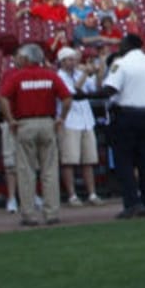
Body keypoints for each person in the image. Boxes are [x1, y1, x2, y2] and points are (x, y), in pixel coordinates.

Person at [97, 34, 145, 218]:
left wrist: (89, 95)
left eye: (122, 44)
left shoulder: (121, 64)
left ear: (128, 45)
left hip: (125, 115)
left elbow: (111, 89)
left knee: (124, 161)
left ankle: (132, 203)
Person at [0, 43, 71, 226]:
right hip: (47, 122)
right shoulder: (50, 75)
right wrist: (61, 117)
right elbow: (67, 98)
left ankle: (29, 214)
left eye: (21, 57)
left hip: (25, 124)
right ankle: (52, 213)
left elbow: (2, 96)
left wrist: (10, 119)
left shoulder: (17, 77)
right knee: (49, 170)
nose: (18, 59)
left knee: (25, 171)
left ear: (27, 58)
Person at [56, 48, 104, 206]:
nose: (73, 62)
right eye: (69, 59)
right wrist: (86, 74)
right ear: (62, 62)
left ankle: (92, 193)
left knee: (88, 160)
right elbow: (73, 93)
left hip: (86, 120)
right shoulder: (59, 76)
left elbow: (96, 88)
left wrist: (99, 71)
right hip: (69, 121)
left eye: (73, 59)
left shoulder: (78, 73)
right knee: (69, 160)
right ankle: (72, 195)